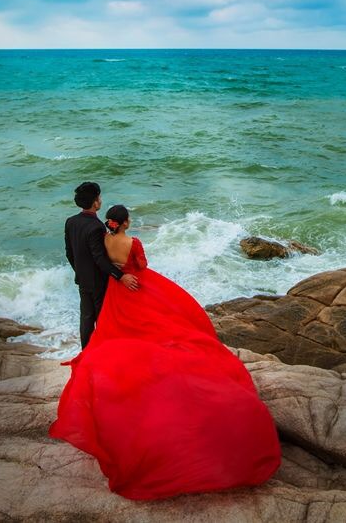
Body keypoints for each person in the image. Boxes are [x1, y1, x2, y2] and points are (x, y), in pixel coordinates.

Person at [49, 204, 281, 500]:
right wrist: (130, 269)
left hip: (116, 291)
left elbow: (102, 261)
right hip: (134, 285)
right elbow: (141, 266)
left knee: (114, 328)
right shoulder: (133, 242)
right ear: (126, 222)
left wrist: (116, 273)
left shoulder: (104, 239)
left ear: (110, 222)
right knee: (168, 316)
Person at [64, 182, 139, 349]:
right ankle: (102, 356)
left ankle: (86, 354)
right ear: (95, 202)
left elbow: (69, 253)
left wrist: (80, 271)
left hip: (82, 279)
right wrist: (121, 276)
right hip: (98, 281)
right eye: (99, 197)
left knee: (86, 319)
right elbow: (100, 259)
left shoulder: (71, 222)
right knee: (102, 319)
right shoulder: (96, 227)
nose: (100, 200)